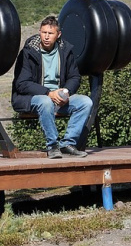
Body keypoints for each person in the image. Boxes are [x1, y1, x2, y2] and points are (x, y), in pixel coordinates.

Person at [11, 15, 93, 159]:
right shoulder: (28, 52)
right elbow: (22, 84)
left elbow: (74, 77)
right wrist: (49, 93)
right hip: (31, 98)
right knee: (45, 101)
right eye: (43, 32)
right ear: (39, 32)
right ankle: (53, 146)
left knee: (86, 102)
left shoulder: (66, 51)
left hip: (57, 97)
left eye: (50, 33)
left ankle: (68, 144)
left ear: (58, 34)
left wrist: (65, 92)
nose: (46, 37)